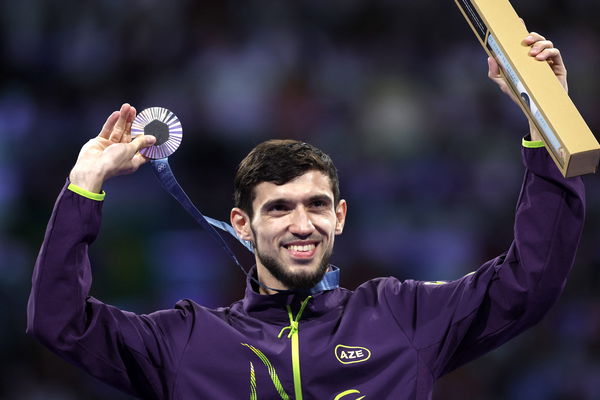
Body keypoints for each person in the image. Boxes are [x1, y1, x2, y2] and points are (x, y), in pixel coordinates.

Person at [27, 32, 584, 399]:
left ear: (340, 216)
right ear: (242, 225)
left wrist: (545, 121)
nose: (302, 224)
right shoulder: (187, 340)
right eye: (279, 208)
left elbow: (528, 282)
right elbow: (60, 322)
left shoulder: (401, 315)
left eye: (317, 205)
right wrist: (85, 184)